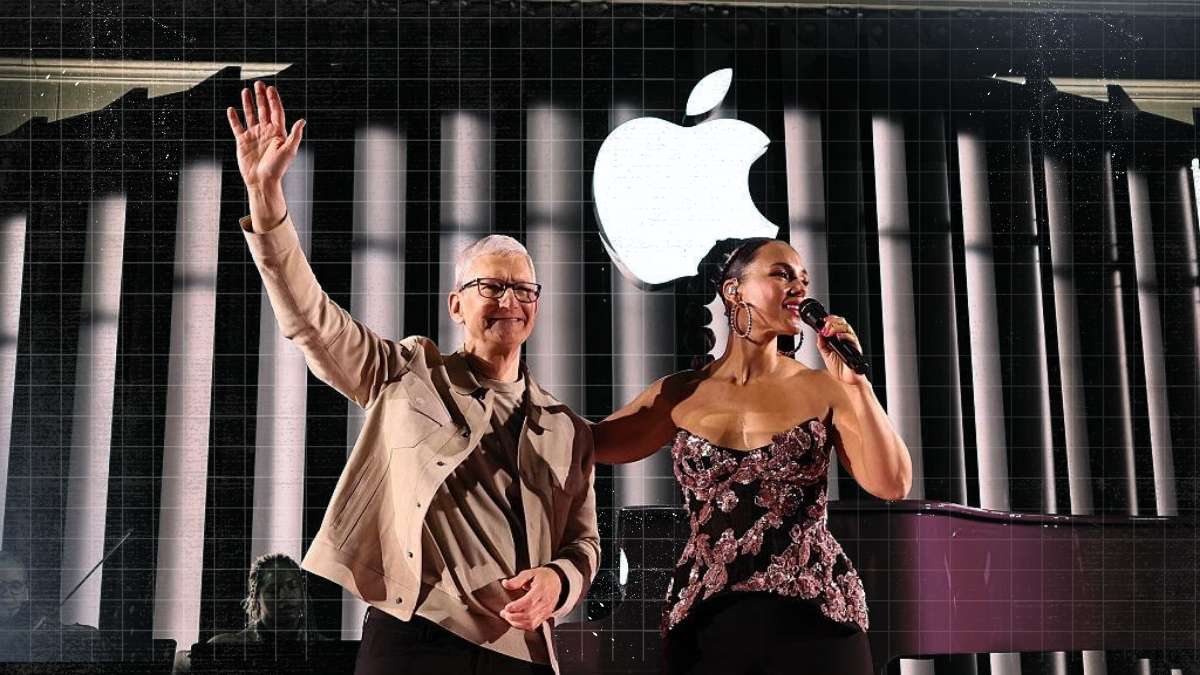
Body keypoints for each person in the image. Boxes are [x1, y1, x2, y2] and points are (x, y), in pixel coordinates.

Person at [226, 81, 599, 675]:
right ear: (456, 305)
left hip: (516, 646)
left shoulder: (568, 428)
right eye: (490, 286)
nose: (509, 300)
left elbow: (585, 543)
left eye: (524, 289)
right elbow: (311, 320)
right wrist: (266, 198)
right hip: (414, 634)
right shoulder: (405, 373)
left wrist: (561, 580)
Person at [592, 238, 912, 675]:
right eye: (781, 274)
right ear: (734, 291)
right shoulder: (679, 393)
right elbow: (589, 444)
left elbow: (892, 483)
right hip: (709, 620)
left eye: (803, 279)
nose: (799, 286)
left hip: (816, 616)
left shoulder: (825, 389)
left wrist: (857, 385)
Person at [209, 553, 324, 645]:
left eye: (292, 586)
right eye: (273, 591)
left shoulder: (328, 651)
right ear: (256, 597)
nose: (284, 596)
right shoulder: (227, 647)